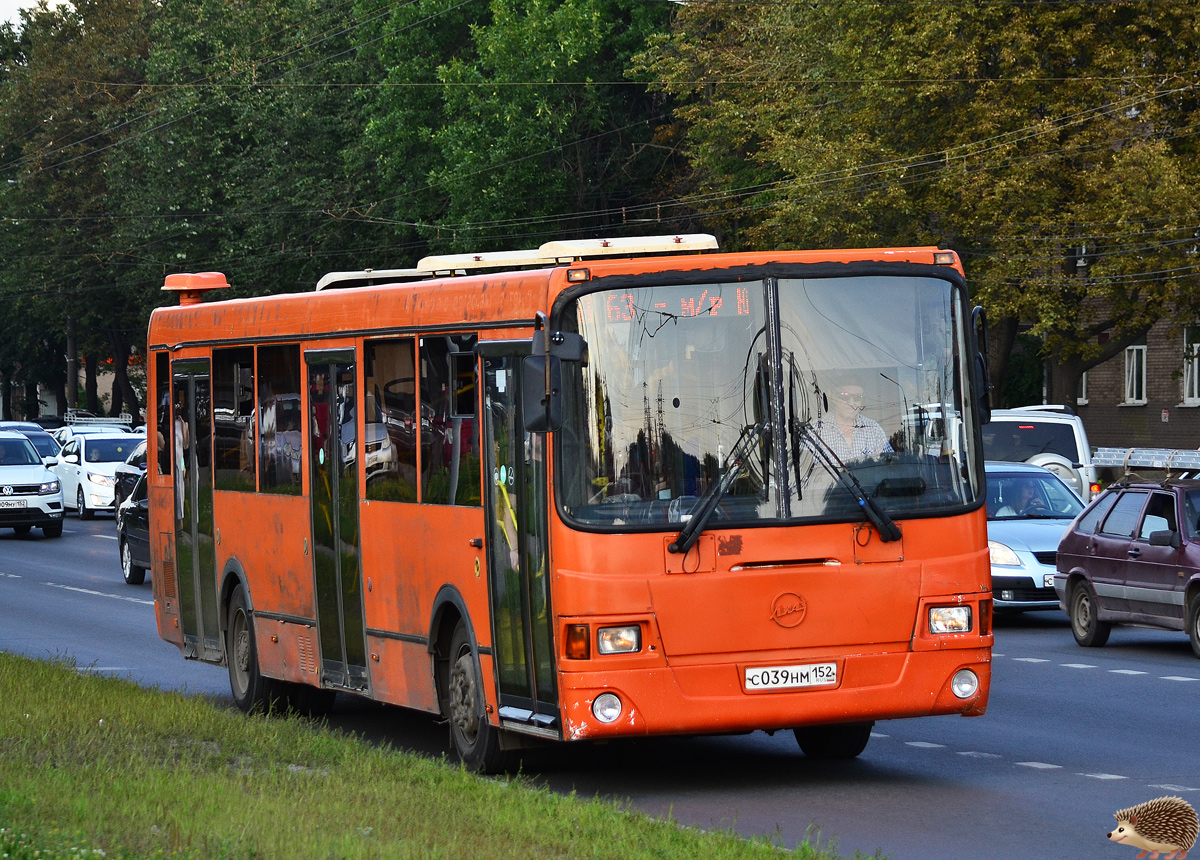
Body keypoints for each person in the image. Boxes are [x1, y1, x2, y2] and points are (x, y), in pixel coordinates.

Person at [814, 377, 893, 462]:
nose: (851, 403)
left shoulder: (874, 429)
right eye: (844, 396)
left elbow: (891, 464)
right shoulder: (815, 430)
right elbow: (804, 469)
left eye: (857, 397)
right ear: (832, 396)